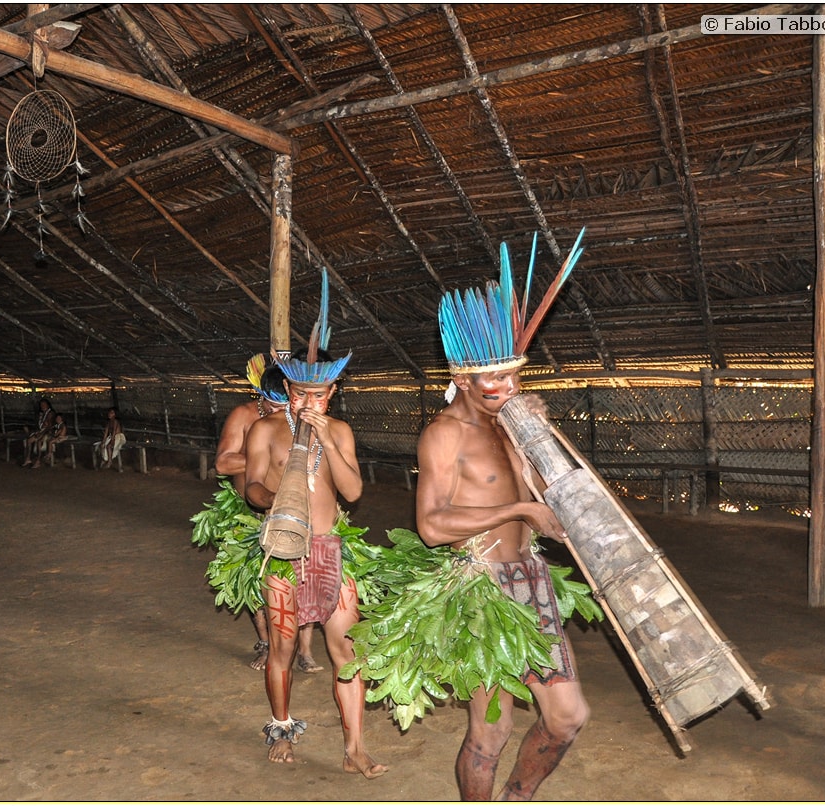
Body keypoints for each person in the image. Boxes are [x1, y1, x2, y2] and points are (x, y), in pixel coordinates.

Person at [415, 231, 589, 800]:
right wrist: (517, 509)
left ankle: (518, 795)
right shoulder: (443, 436)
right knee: (491, 731)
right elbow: (431, 527)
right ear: (462, 379)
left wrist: (536, 438)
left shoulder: (509, 420)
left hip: (530, 583)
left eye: (515, 375)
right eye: (495, 378)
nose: (508, 386)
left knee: (567, 717)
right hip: (482, 591)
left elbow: (540, 489)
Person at [243, 316, 386, 776]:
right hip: (285, 552)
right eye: (302, 393)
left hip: (330, 552)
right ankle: (282, 728)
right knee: (282, 649)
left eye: (320, 395)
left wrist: (325, 434)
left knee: (347, 651)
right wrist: (277, 504)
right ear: (288, 389)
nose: (310, 401)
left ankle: (354, 748)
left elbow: (354, 492)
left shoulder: (339, 431)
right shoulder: (265, 431)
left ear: (332, 393)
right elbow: (250, 488)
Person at [212, 354, 321, 674]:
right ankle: (266, 642)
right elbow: (222, 463)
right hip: (251, 510)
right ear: (260, 398)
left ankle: (305, 649)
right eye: (274, 408)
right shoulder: (244, 417)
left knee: (305, 574)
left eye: (283, 406)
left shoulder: (301, 416)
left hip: (295, 509)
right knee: (256, 579)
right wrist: (266, 456)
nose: (281, 414)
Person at [21, 398, 56, 468]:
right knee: (29, 440)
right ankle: (28, 458)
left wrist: (42, 433)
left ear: (48, 405)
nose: (42, 406)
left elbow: (49, 426)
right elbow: (39, 425)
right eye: (41, 405)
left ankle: (38, 460)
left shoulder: (50, 413)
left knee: (39, 442)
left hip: (48, 432)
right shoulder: (41, 414)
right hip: (41, 431)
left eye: (44, 405)